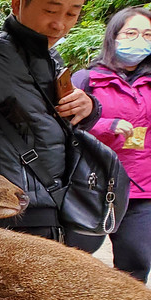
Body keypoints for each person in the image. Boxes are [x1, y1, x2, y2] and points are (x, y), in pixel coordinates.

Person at [0, 0, 103, 251]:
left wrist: (89, 107)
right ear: (17, 5)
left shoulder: (47, 55)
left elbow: (52, 122)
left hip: (49, 207)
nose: (60, 24)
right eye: (50, 10)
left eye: (72, 13)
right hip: (20, 215)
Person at [72, 6, 151, 282]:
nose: (140, 40)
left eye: (147, 34)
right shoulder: (87, 79)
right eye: (131, 32)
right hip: (91, 183)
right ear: (113, 36)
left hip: (142, 189)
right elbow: (61, 123)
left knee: (136, 262)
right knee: (73, 255)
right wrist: (107, 126)